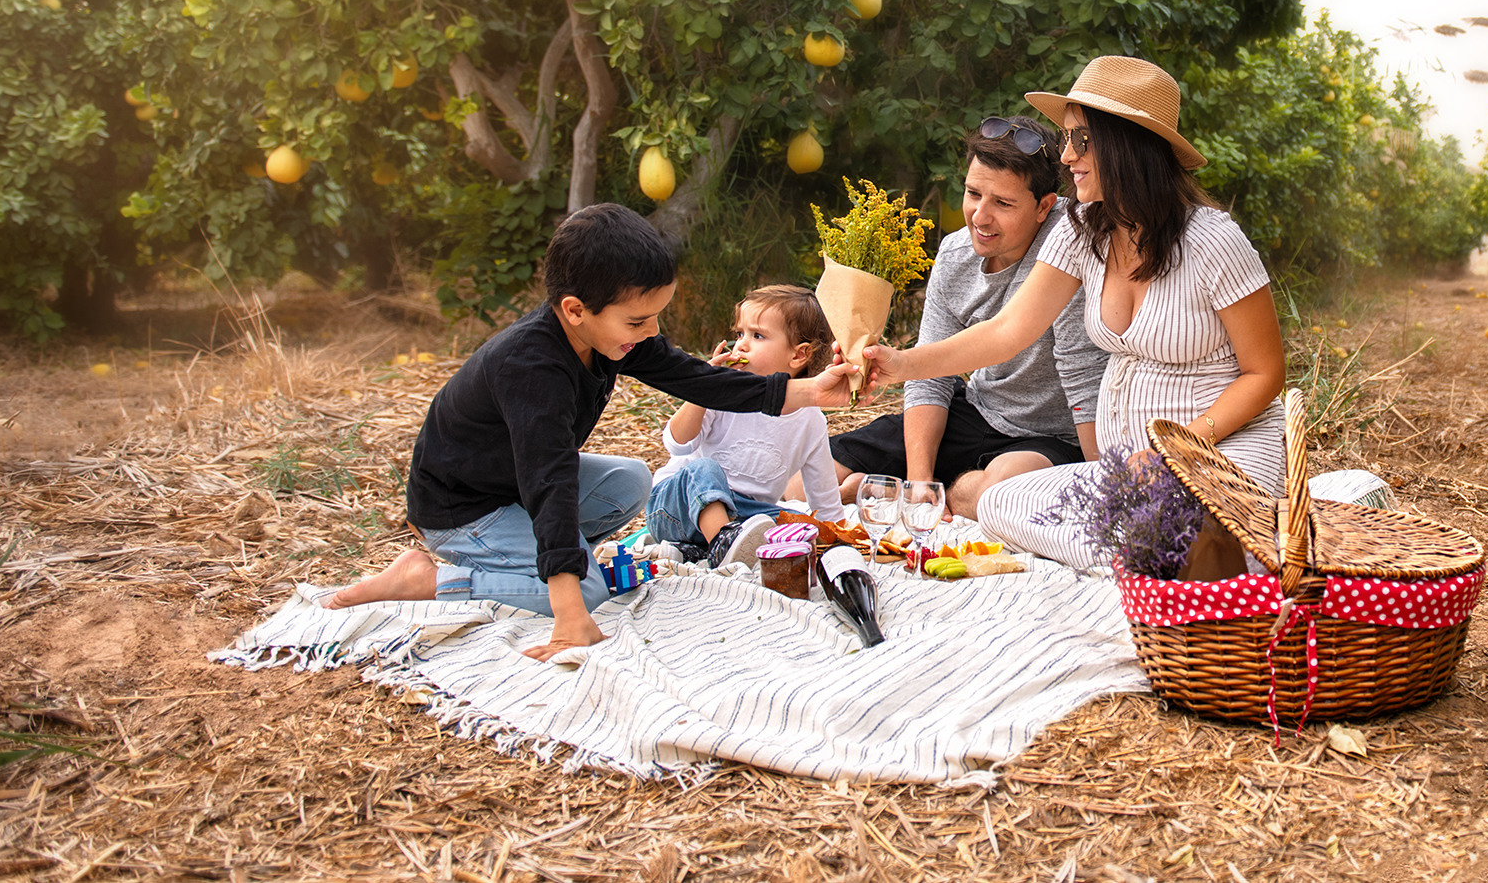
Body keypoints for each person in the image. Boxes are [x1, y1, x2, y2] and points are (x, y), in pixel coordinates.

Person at [323, 204, 857, 661]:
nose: (651, 333)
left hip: (512, 487)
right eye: (638, 322)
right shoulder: (532, 369)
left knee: (629, 481)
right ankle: (427, 580)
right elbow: (548, 479)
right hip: (464, 510)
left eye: (655, 318)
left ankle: (541, 559)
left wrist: (812, 393)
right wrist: (569, 607)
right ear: (576, 310)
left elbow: (703, 381)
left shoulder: (608, 337)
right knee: (588, 592)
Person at [860, 57, 1286, 567]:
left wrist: (1181, 448)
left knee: (1174, 535)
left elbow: (1266, 373)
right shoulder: (1082, 229)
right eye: (1066, 140)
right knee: (1001, 502)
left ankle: (1200, 550)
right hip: (1127, 465)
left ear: (1125, 144)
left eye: (1080, 141)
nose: (1066, 157)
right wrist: (900, 364)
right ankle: (1162, 554)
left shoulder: (1214, 240)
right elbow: (1007, 331)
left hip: (1218, 451)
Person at [825, 116, 1106, 519]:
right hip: (978, 410)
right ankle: (914, 489)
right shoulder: (955, 253)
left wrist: (1101, 481)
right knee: (815, 475)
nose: (979, 216)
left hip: (1048, 436)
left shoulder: (1070, 244)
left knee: (995, 490)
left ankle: (921, 492)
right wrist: (919, 482)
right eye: (973, 194)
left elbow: (1082, 378)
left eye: (1003, 203)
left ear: (1045, 206)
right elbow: (932, 374)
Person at [647, 284, 849, 567]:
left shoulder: (810, 420)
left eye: (757, 335)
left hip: (742, 515)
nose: (740, 344)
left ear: (798, 355)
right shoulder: (724, 392)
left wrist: (840, 537)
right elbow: (677, 443)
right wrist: (704, 389)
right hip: (674, 505)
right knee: (704, 470)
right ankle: (721, 544)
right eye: (739, 334)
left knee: (792, 519)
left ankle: (693, 552)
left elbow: (824, 499)